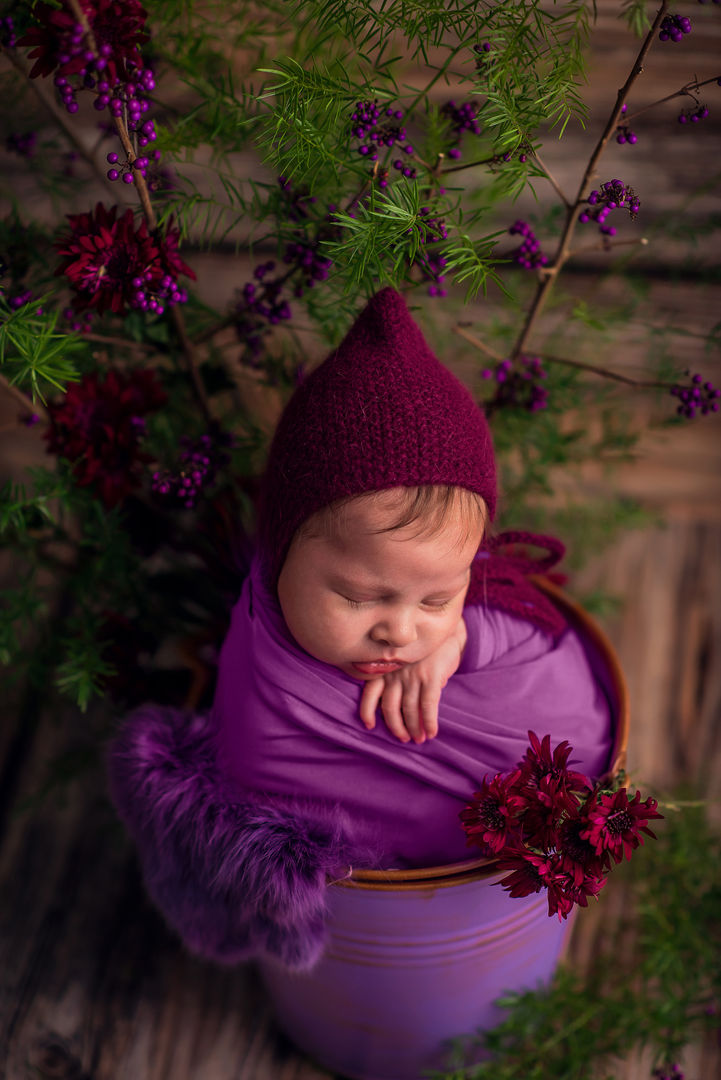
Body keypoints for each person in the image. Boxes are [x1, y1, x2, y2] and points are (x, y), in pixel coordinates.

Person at [108, 287, 615, 973]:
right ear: (281, 552)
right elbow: (261, 781)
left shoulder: (474, 614)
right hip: (413, 912)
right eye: (357, 595)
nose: (400, 631)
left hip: (554, 837)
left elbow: (522, 632)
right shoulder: (268, 679)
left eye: (437, 596)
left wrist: (462, 635)